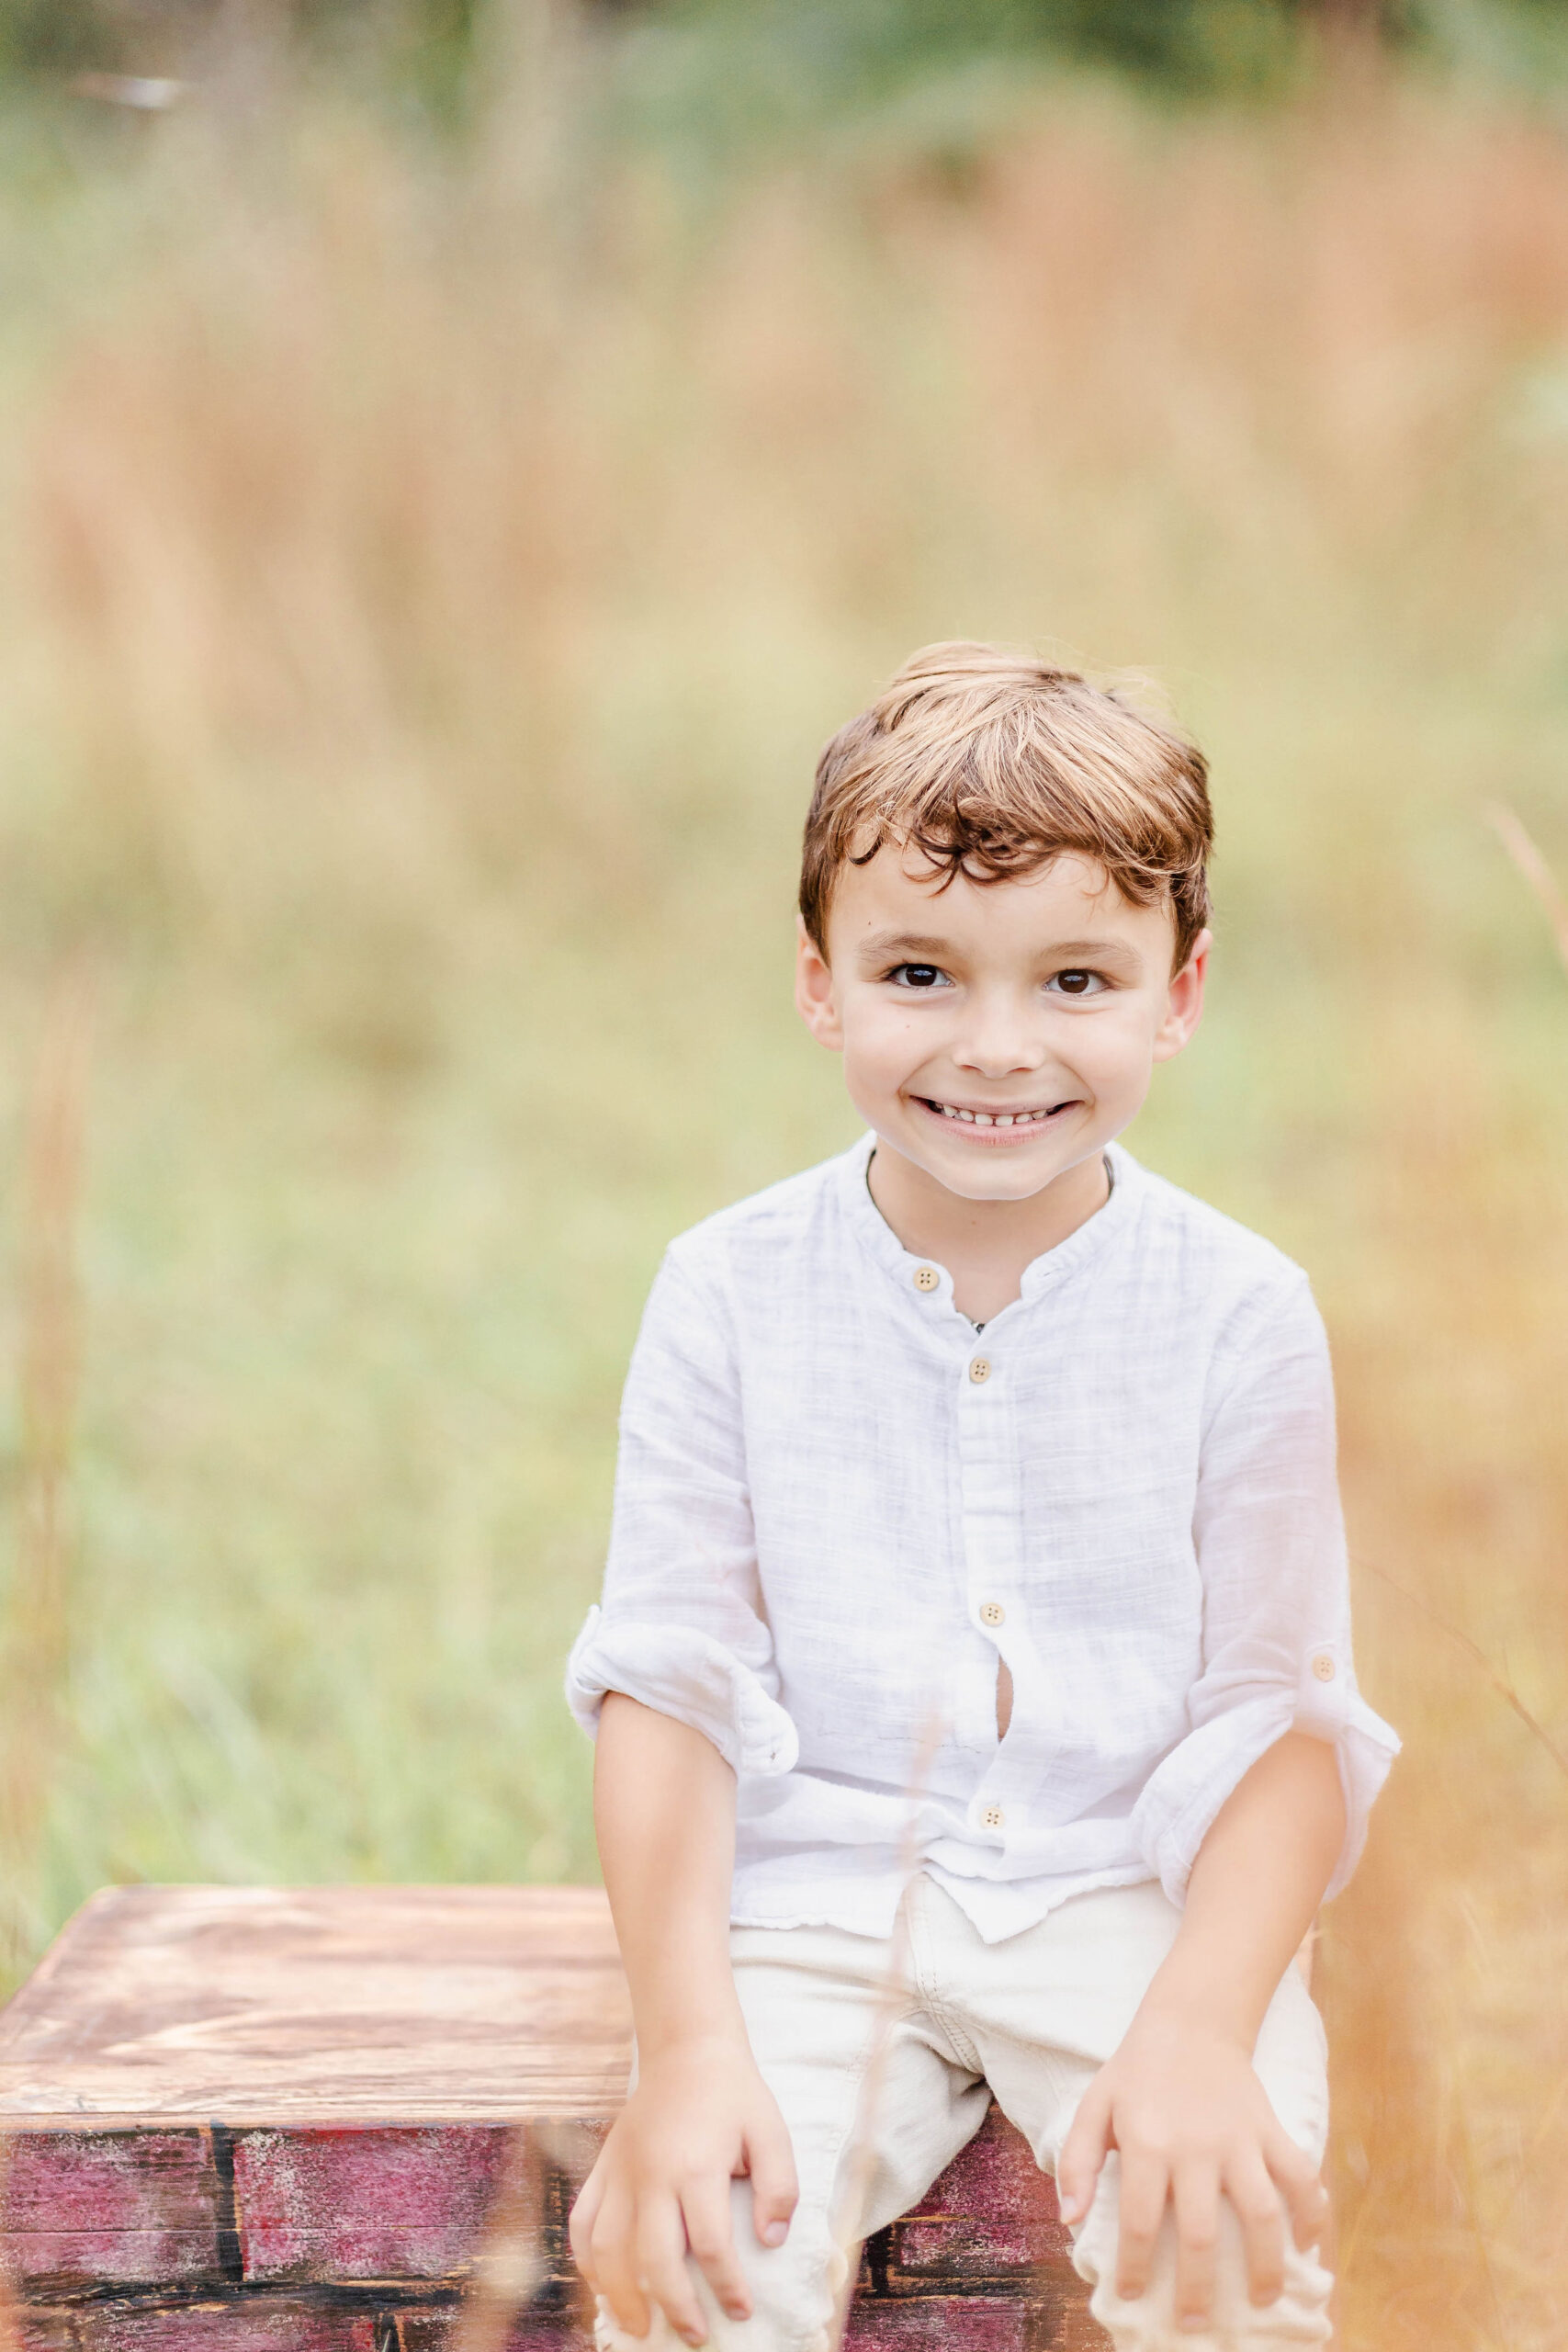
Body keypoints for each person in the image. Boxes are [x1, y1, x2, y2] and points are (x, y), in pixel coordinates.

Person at [564, 641, 1398, 2352]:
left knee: (1227, 2257)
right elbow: (670, 1681)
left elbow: (1287, 1724)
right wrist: (692, 2045)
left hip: (1134, 1900)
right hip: (810, 1906)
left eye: (1078, 982)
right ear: (821, 981)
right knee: (697, 2259)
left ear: (1181, 989)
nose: (998, 1048)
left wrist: (1198, 2025)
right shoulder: (725, 1292)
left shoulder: (1242, 1314)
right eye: (923, 973)